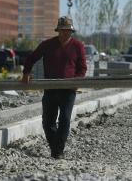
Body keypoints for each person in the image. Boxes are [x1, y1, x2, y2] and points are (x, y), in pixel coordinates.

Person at [21, 16, 87, 159]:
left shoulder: (78, 46)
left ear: (71, 31)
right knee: (48, 121)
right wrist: (26, 72)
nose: (65, 33)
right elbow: (32, 57)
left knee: (64, 119)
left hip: (68, 90)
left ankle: (58, 151)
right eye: (62, 30)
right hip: (50, 88)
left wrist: (77, 82)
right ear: (58, 31)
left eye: (68, 31)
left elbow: (82, 68)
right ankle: (55, 148)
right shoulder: (48, 45)